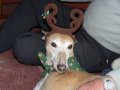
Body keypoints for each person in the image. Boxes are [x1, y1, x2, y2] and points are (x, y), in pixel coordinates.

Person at [0, 0, 120, 89]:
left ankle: (47, 37)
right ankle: (46, 36)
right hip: (81, 18)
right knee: (34, 3)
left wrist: (111, 81)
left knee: (24, 46)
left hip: (100, 47)